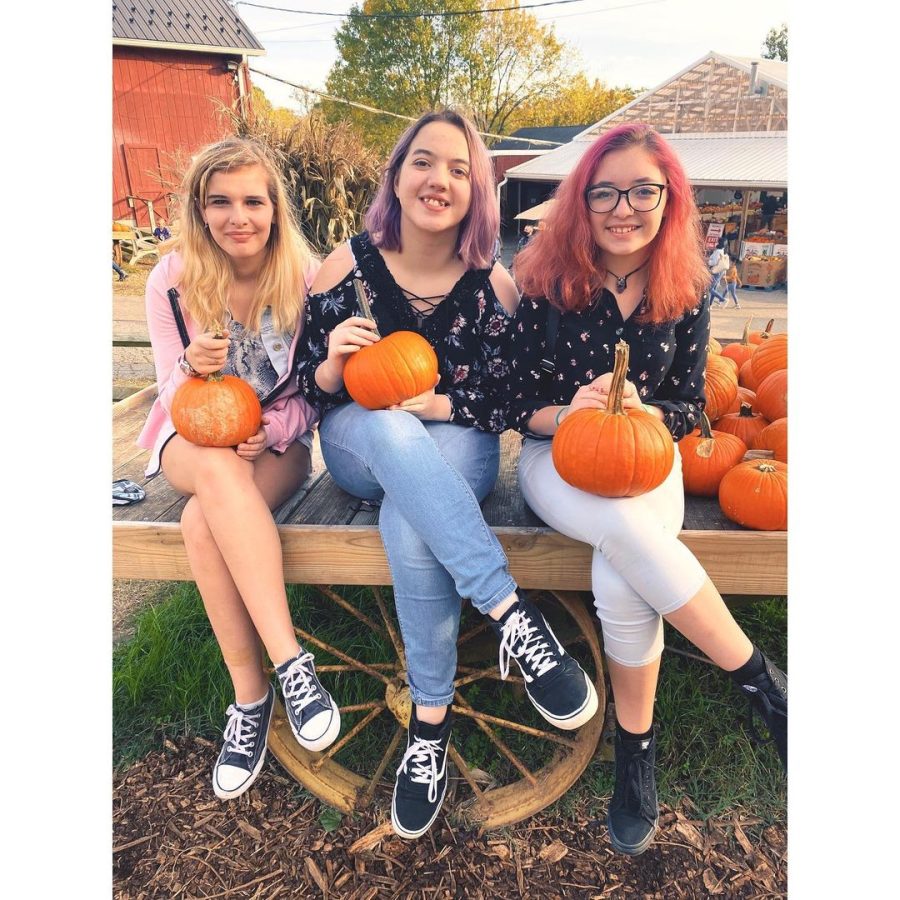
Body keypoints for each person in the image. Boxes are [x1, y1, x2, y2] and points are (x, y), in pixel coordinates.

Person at [296, 109, 598, 841]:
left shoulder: (491, 286)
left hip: (457, 441)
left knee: (413, 514)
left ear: (477, 191)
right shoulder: (346, 267)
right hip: (360, 444)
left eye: (460, 169)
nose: (440, 180)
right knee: (396, 434)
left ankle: (428, 726)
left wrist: (436, 400)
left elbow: (503, 396)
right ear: (396, 177)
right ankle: (511, 616)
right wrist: (335, 359)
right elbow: (307, 389)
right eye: (424, 162)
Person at [508, 123, 786, 857]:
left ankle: (635, 756)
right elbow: (515, 406)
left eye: (642, 190)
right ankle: (762, 685)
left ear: (669, 198)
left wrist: (642, 411)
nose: (623, 206)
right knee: (632, 538)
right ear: (581, 201)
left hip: (649, 456)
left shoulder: (685, 285)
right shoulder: (543, 280)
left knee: (623, 557)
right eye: (604, 191)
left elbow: (693, 403)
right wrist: (576, 407)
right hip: (554, 459)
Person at [137, 137, 341, 801]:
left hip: (270, 445)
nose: (238, 217)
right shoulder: (171, 279)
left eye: (253, 200)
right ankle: (292, 662)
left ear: (275, 208)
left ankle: (250, 702)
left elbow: (317, 385)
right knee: (215, 479)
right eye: (220, 202)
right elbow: (168, 391)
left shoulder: (306, 280)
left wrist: (275, 428)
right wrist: (189, 368)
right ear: (199, 209)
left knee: (204, 523)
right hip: (188, 440)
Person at [707, 235, 729, 305]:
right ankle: (710, 304)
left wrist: (707, 261)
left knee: (710, 288)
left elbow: (714, 262)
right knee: (714, 288)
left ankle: (722, 299)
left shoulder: (718, 251)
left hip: (716, 271)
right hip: (720, 272)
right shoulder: (723, 251)